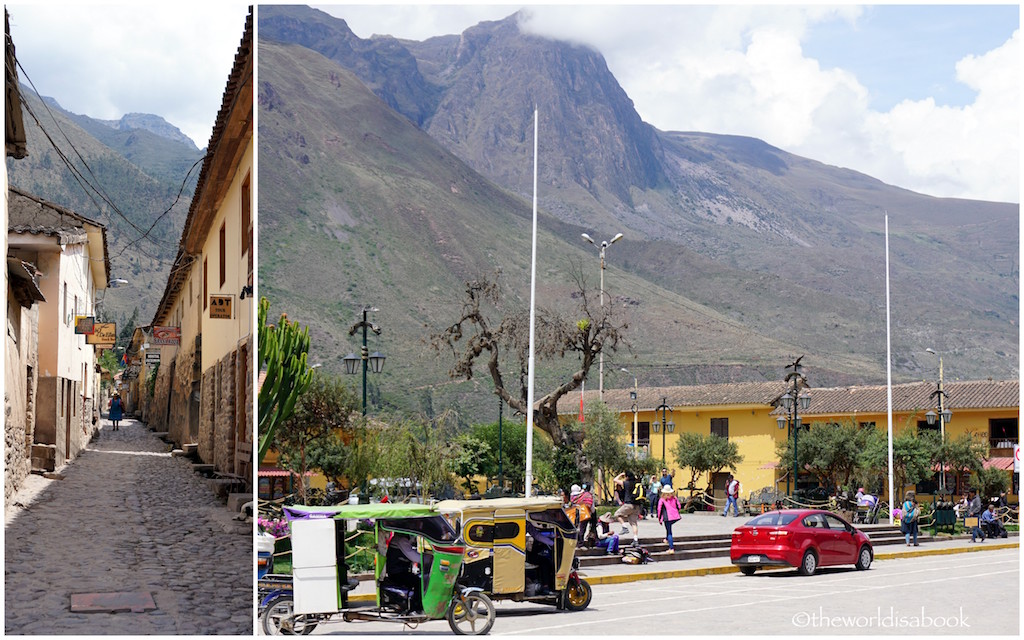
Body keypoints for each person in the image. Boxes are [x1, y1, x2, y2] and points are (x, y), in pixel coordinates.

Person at [613, 471, 641, 546]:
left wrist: (620, 474)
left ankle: (624, 527)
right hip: (636, 506)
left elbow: (615, 480)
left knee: (617, 514)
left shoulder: (626, 483)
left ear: (627, 477)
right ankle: (635, 540)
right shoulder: (636, 484)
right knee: (634, 523)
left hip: (628, 504)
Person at [657, 485, 682, 553]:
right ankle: (667, 539)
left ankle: (671, 548)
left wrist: (659, 518)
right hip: (675, 516)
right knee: (668, 528)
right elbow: (679, 506)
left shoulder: (662, 499)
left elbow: (659, 509)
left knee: (669, 531)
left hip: (667, 517)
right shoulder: (674, 498)